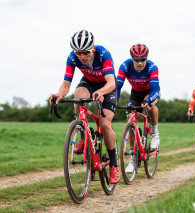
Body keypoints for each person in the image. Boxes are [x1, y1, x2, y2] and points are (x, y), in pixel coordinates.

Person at [49, 30, 119, 184]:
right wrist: (59, 95)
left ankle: (114, 164)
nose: (82, 56)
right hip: (89, 82)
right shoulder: (73, 57)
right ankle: (82, 133)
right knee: (78, 96)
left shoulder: (103, 54)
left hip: (107, 85)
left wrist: (100, 92)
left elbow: (111, 82)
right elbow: (66, 84)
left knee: (105, 124)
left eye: (86, 52)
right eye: (79, 53)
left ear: (93, 48)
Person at [116, 43, 160, 173]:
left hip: (150, 93)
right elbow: (117, 87)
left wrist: (148, 99)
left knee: (151, 106)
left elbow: (155, 90)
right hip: (135, 94)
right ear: (132, 58)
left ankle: (154, 132)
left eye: (143, 59)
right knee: (130, 119)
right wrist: (113, 102)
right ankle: (132, 157)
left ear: (147, 58)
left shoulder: (152, 67)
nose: (140, 63)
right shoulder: (125, 66)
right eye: (136, 59)